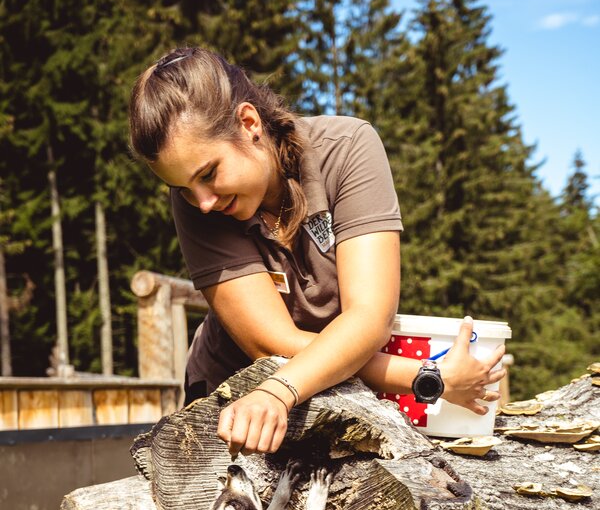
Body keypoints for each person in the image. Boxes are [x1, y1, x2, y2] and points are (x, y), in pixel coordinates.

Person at [129, 47, 505, 457]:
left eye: (208, 173)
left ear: (249, 122)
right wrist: (425, 377)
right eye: (183, 188)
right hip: (232, 403)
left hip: (328, 393)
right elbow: (271, 344)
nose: (202, 202)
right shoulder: (198, 203)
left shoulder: (348, 148)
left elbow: (369, 317)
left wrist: (284, 389)